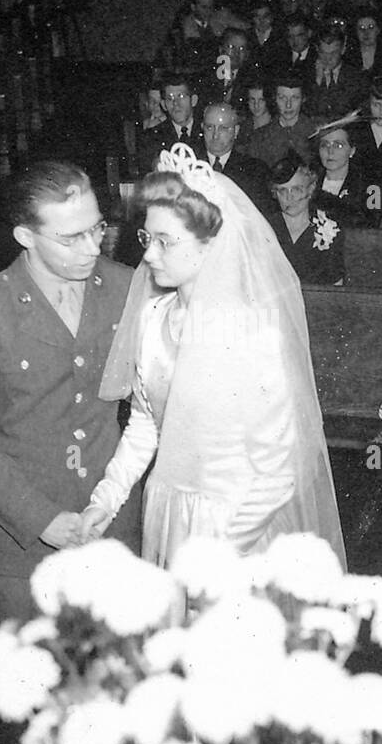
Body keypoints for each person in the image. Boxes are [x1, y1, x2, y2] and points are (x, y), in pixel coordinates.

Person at [78, 145, 345, 567]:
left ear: (211, 247)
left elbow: (279, 470)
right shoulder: (152, 319)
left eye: (166, 242)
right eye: (149, 238)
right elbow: (147, 426)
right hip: (170, 516)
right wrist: (105, 501)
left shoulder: (252, 335)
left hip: (238, 531)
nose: (147, 255)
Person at [0, 161, 140, 624]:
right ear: (25, 236)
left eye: (97, 229)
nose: (92, 248)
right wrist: (40, 518)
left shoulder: (127, 287)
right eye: (71, 238)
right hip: (22, 546)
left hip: (113, 528)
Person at [267, 152, 347, 286]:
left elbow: (336, 284)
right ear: (275, 193)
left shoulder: (328, 229)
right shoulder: (265, 226)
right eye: (282, 190)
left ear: (310, 189)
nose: (289, 197)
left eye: (296, 189)